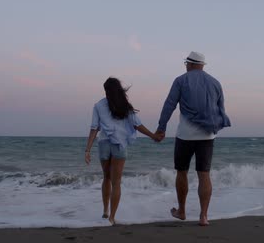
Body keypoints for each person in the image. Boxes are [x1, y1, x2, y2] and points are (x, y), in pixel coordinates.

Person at [155, 51, 231, 226]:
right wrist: (214, 128)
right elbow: (221, 110)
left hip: (185, 136)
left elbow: (169, 105)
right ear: (202, 65)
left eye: (186, 64)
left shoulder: (180, 80)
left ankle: (182, 211)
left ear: (189, 64)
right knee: (204, 174)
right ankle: (204, 216)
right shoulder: (215, 83)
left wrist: (161, 128)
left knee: (182, 172)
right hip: (207, 135)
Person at [84, 77, 160, 226]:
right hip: (119, 145)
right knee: (116, 182)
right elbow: (137, 125)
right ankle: (111, 217)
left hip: (104, 143)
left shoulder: (99, 105)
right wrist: (153, 136)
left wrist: (87, 150)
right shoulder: (124, 106)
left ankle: (106, 211)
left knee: (106, 178)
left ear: (107, 90)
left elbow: (94, 128)